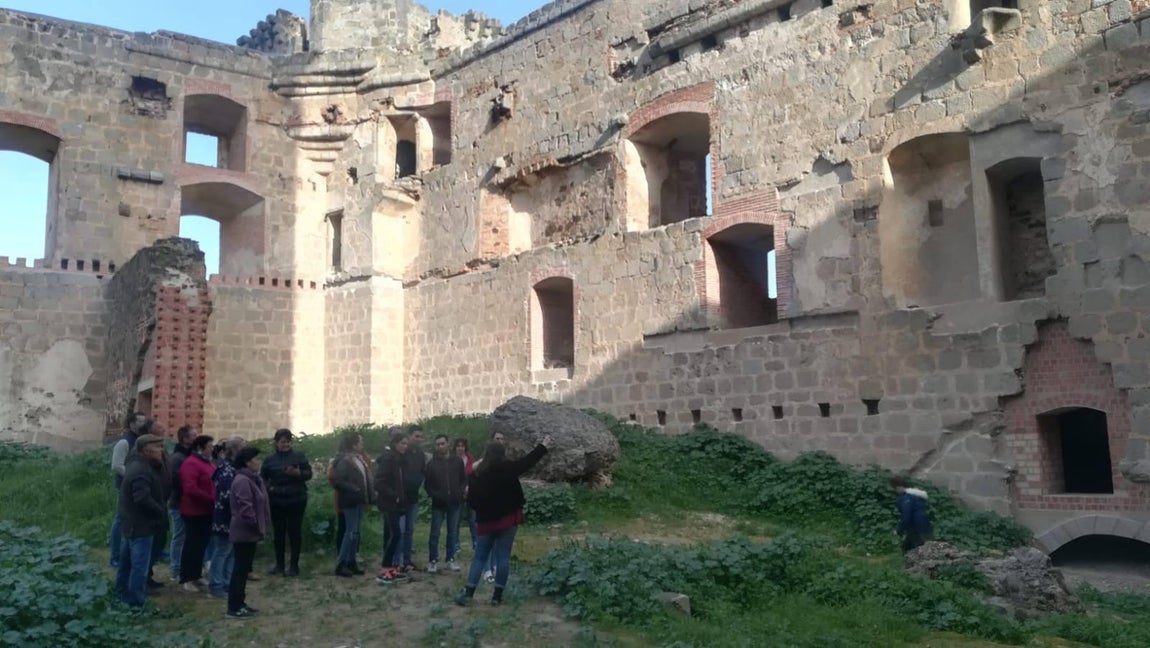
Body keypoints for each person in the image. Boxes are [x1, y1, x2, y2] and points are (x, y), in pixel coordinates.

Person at [455, 435, 551, 607]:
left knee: (480, 557)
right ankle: (497, 597)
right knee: (503, 557)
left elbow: (472, 501)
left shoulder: (478, 475)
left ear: (486, 454)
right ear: (503, 453)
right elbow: (527, 462)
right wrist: (542, 446)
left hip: (486, 521)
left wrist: (481, 510)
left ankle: (469, 594)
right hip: (508, 518)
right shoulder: (508, 468)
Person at [115, 433, 167, 608]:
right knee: (139, 566)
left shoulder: (138, 464)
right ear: (147, 450)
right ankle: (136, 602)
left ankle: (122, 595)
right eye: (158, 447)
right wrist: (159, 511)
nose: (162, 450)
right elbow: (142, 498)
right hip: (140, 524)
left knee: (127, 563)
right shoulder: (141, 470)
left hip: (132, 522)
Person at [261, 428, 313, 577]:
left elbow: (309, 474)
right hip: (276, 500)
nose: (286, 445)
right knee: (279, 533)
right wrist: (268, 488)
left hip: (296, 499)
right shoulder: (270, 460)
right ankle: (279, 564)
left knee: (294, 532)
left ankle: (294, 566)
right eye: (283, 442)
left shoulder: (299, 456)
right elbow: (263, 477)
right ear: (277, 443)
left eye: (288, 441)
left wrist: (299, 474)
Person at [228, 447, 270, 619]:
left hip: (250, 531)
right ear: (247, 462)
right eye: (256, 459)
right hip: (244, 531)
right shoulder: (243, 481)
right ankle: (234, 607)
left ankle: (241, 603)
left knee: (244, 569)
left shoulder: (253, 479)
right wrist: (255, 525)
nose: (259, 462)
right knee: (240, 569)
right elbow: (246, 508)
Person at [208, 437, 245, 599]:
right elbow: (227, 497)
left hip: (232, 517)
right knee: (222, 550)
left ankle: (227, 583)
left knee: (230, 551)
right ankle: (216, 584)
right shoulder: (227, 470)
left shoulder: (232, 468)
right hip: (225, 517)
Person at [331, 432, 372, 577]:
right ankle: (341, 563)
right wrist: (354, 489)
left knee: (355, 533)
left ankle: (351, 561)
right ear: (354, 445)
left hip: (358, 500)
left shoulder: (358, 459)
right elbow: (338, 480)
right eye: (360, 442)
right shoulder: (345, 461)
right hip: (350, 500)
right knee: (350, 532)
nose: (363, 445)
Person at [179, 434, 216, 592]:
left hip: (206, 510)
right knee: (192, 545)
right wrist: (210, 498)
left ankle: (197, 575)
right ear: (200, 448)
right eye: (209, 446)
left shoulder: (207, 463)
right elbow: (191, 488)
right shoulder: (191, 464)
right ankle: (187, 577)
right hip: (194, 510)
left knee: (201, 545)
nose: (212, 449)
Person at [424, 434, 466, 573]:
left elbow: (463, 479)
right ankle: (433, 560)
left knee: (452, 533)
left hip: (454, 502)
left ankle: (450, 559)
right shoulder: (432, 464)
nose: (440, 446)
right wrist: (436, 495)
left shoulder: (457, 461)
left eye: (442, 443)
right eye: (438, 444)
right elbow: (428, 485)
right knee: (435, 533)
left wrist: (459, 493)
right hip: (438, 504)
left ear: (448, 444)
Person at [109, 412, 146, 568]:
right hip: (125, 487)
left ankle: (128, 553)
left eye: (144, 421)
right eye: (140, 421)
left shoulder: (141, 440)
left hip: (137, 487)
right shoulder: (124, 442)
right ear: (131, 424)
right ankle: (115, 556)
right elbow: (117, 465)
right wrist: (133, 476)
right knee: (120, 519)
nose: (143, 423)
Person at [374, 430, 410, 584]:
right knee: (394, 534)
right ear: (395, 444)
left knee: (395, 535)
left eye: (406, 444)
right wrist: (393, 495)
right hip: (389, 503)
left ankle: (392, 569)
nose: (405, 446)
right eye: (402, 443)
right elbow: (379, 481)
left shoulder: (398, 459)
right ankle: (385, 569)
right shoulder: (389, 459)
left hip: (397, 503)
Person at [166, 425, 196, 581]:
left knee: (187, 537)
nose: (196, 438)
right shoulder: (177, 457)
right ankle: (175, 568)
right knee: (179, 536)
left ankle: (185, 566)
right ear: (185, 439)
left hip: (189, 503)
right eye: (193, 436)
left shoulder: (190, 455)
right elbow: (175, 480)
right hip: (178, 502)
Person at [399, 427, 427, 573]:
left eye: (421, 437)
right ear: (409, 436)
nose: (419, 439)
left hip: (413, 497)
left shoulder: (420, 454)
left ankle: (407, 560)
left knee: (410, 530)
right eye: (416, 436)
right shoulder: (402, 452)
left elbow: (422, 471)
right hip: (401, 497)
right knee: (400, 530)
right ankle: (396, 561)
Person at [891, 476, 933, 553]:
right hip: (923, 526)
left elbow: (906, 516)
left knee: (918, 551)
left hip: (916, 528)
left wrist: (899, 530)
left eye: (895, 488)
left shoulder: (907, 498)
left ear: (899, 487)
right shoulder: (917, 496)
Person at [453, 438, 477, 559]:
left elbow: (474, 475)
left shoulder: (471, 459)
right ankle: (456, 545)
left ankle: (476, 543)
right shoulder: (452, 460)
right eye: (458, 446)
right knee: (456, 520)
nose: (460, 448)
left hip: (471, 493)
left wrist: (469, 488)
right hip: (457, 494)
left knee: (473, 519)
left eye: (462, 446)